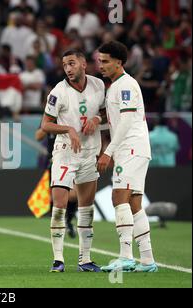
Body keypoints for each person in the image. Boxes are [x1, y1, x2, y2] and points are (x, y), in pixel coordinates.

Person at [42, 49, 106, 272]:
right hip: (65, 153)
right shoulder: (58, 92)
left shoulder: (99, 86)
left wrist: (97, 118)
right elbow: (46, 125)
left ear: (83, 64)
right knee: (59, 204)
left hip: (90, 152)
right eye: (64, 65)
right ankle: (58, 259)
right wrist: (69, 128)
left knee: (86, 208)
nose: (68, 69)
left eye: (71, 63)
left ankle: (85, 260)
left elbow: (109, 113)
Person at [97, 40, 157, 273]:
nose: (101, 65)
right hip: (134, 148)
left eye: (105, 61)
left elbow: (127, 121)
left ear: (119, 62)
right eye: (99, 61)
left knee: (118, 198)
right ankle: (148, 260)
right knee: (134, 204)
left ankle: (126, 257)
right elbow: (115, 122)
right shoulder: (115, 86)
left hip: (130, 148)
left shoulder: (125, 85)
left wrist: (108, 151)